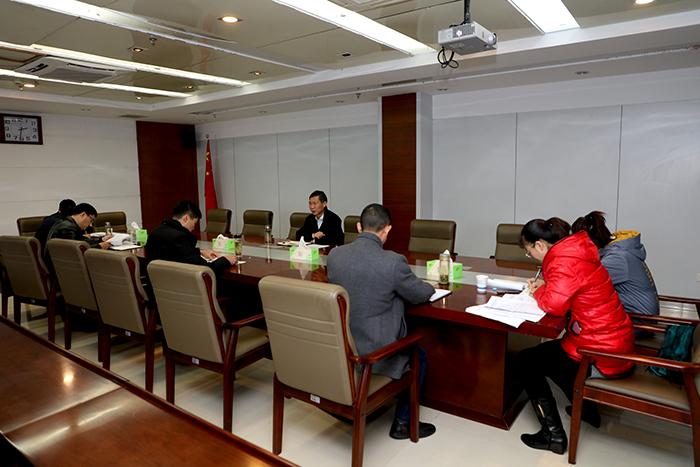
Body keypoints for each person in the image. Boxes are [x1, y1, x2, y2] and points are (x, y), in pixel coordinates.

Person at [515, 217, 634, 455]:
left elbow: (554, 306)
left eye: (529, 251)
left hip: (599, 352)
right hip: (612, 341)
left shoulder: (562, 261)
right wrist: (546, 286)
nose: (532, 256)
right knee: (551, 355)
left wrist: (540, 290)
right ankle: (587, 409)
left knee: (527, 360)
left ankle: (553, 435)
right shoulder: (576, 251)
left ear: (539, 245)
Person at [326, 203, 436, 440]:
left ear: (358, 227)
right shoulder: (392, 262)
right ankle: (403, 422)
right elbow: (421, 294)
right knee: (419, 355)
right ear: (387, 229)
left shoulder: (335, 255)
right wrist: (429, 285)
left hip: (342, 349)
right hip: (375, 356)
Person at [572, 211, 659, 337]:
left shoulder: (617, 258)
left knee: (582, 323)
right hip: (636, 315)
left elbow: (584, 285)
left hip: (638, 322)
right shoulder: (617, 251)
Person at [146, 200, 237, 277]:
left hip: (158, 288)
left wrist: (200, 251)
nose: (194, 227)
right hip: (181, 287)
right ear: (186, 218)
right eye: (195, 222)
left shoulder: (155, 233)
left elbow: (174, 252)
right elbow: (204, 269)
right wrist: (226, 260)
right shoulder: (180, 237)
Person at [44, 203, 114, 272]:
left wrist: (100, 240)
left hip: (59, 266)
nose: (89, 225)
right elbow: (77, 251)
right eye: (91, 220)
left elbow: (82, 242)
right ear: (83, 214)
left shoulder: (65, 223)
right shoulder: (68, 228)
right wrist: (99, 246)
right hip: (62, 270)